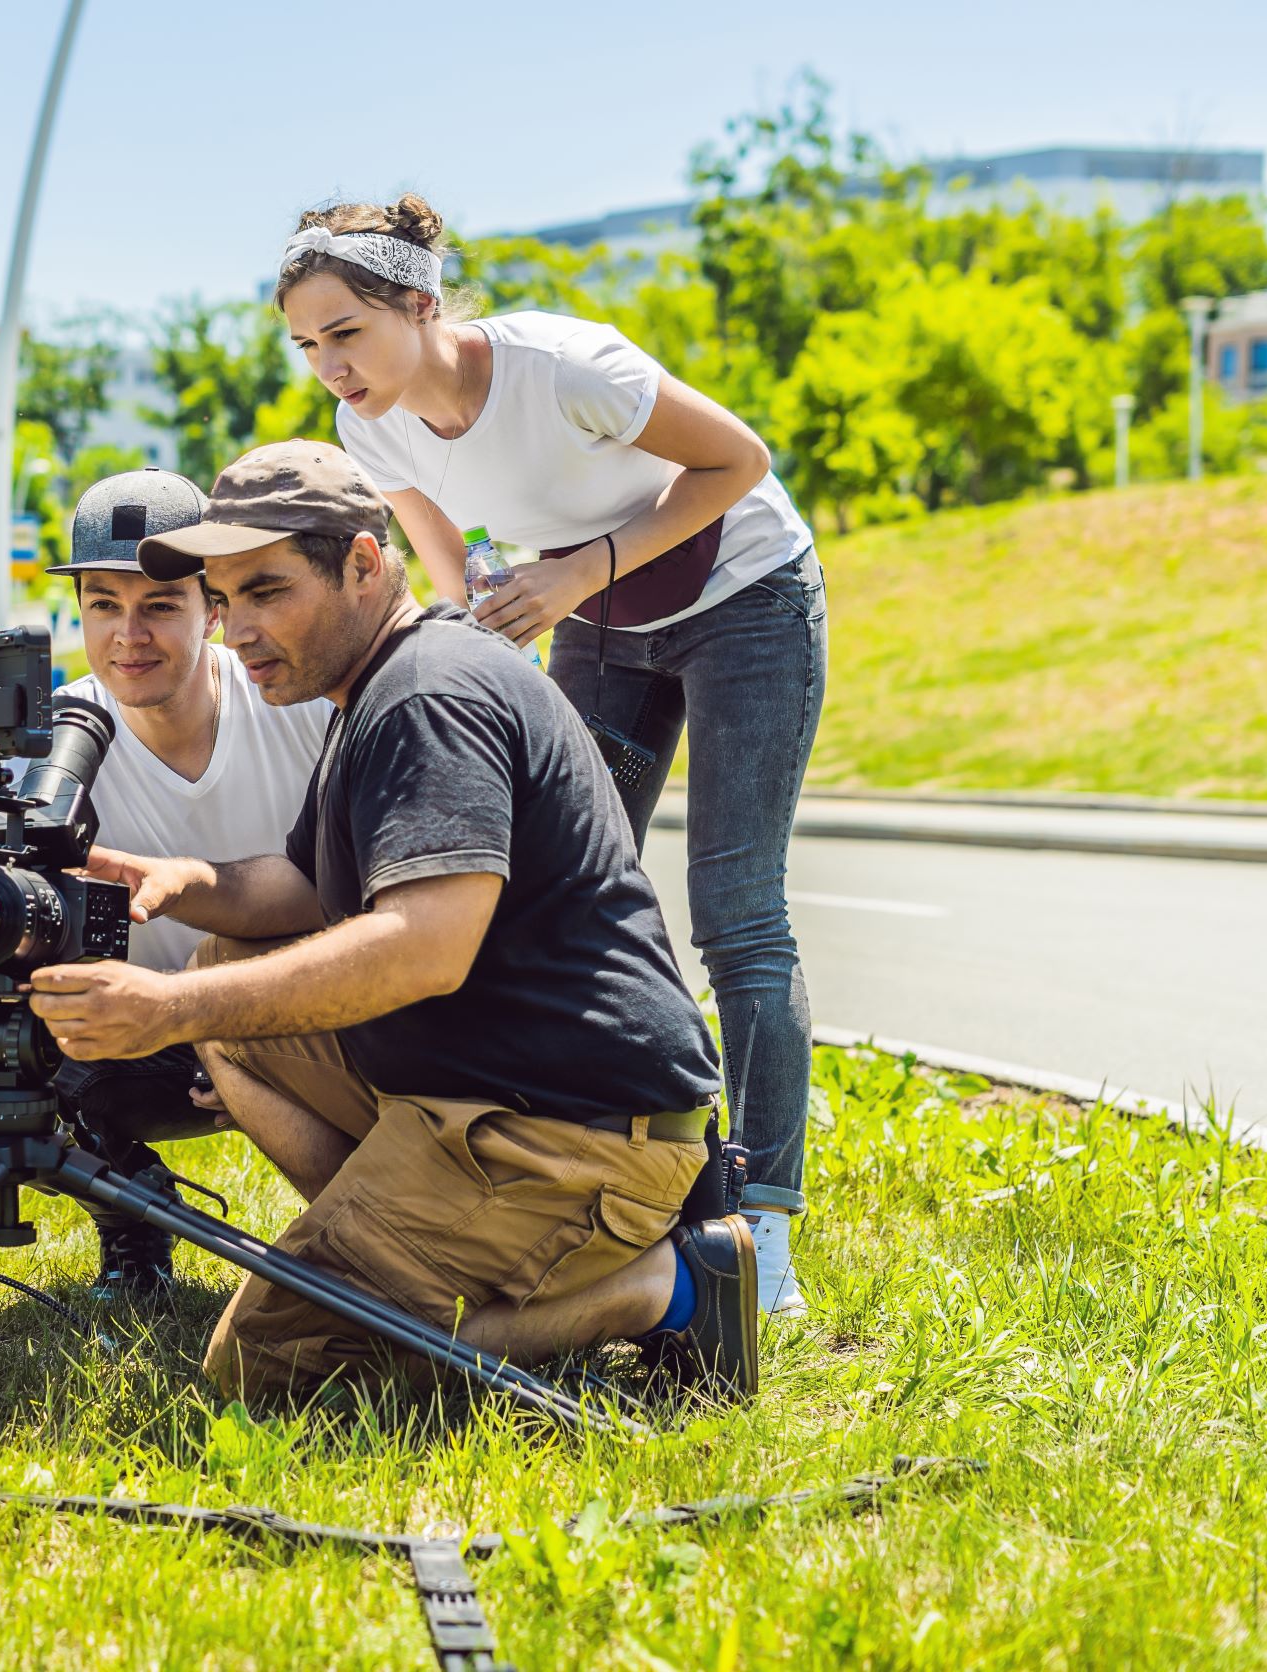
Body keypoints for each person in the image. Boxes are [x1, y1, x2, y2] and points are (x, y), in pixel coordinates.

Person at [24, 439, 757, 1399]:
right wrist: (176, 877)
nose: (237, 629)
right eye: (226, 597)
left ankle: (664, 1288)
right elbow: (302, 885)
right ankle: (402, 1250)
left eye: (268, 592)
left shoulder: (427, 696)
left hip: (568, 1137)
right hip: (483, 1085)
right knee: (224, 964)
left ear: (365, 564)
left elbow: (424, 947)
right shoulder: (374, 686)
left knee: (273, 1368)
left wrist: (170, 1010)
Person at [278, 194, 825, 1317]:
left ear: (420, 305)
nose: (330, 365)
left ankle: (758, 1221)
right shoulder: (370, 428)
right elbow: (449, 560)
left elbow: (737, 462)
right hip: (599, 620)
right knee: (560, 897)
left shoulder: (567, 368)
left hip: (747, 596)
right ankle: (626, 1168)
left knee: (737, 911)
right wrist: (475, 650)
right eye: (305, 344)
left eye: (346, 333)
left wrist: (577, 574)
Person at [40, 468, 330, 1299]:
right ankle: (134, 1219)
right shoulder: (58, 743)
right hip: (148, 1039)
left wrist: (248, 1029)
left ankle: (377, 1237)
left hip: (320, 1018)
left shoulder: (298, 703)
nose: (128, 635)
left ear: (215, 607)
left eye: (160, 606)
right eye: (103, 605)